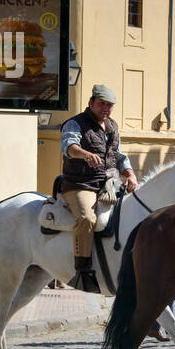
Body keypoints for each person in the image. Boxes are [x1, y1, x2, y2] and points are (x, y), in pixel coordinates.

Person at [61, 84, 138, 293]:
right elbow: (69, 147)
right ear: (91, 102)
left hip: (109, 184)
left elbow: (119, 156)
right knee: (87, 218)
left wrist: (129, 174)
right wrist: (84, 154)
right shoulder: (74, 123)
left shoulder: (112, 126)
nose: (106, 108)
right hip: (80, 184)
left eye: (109, 105)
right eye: (102, 104)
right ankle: (82, 271)